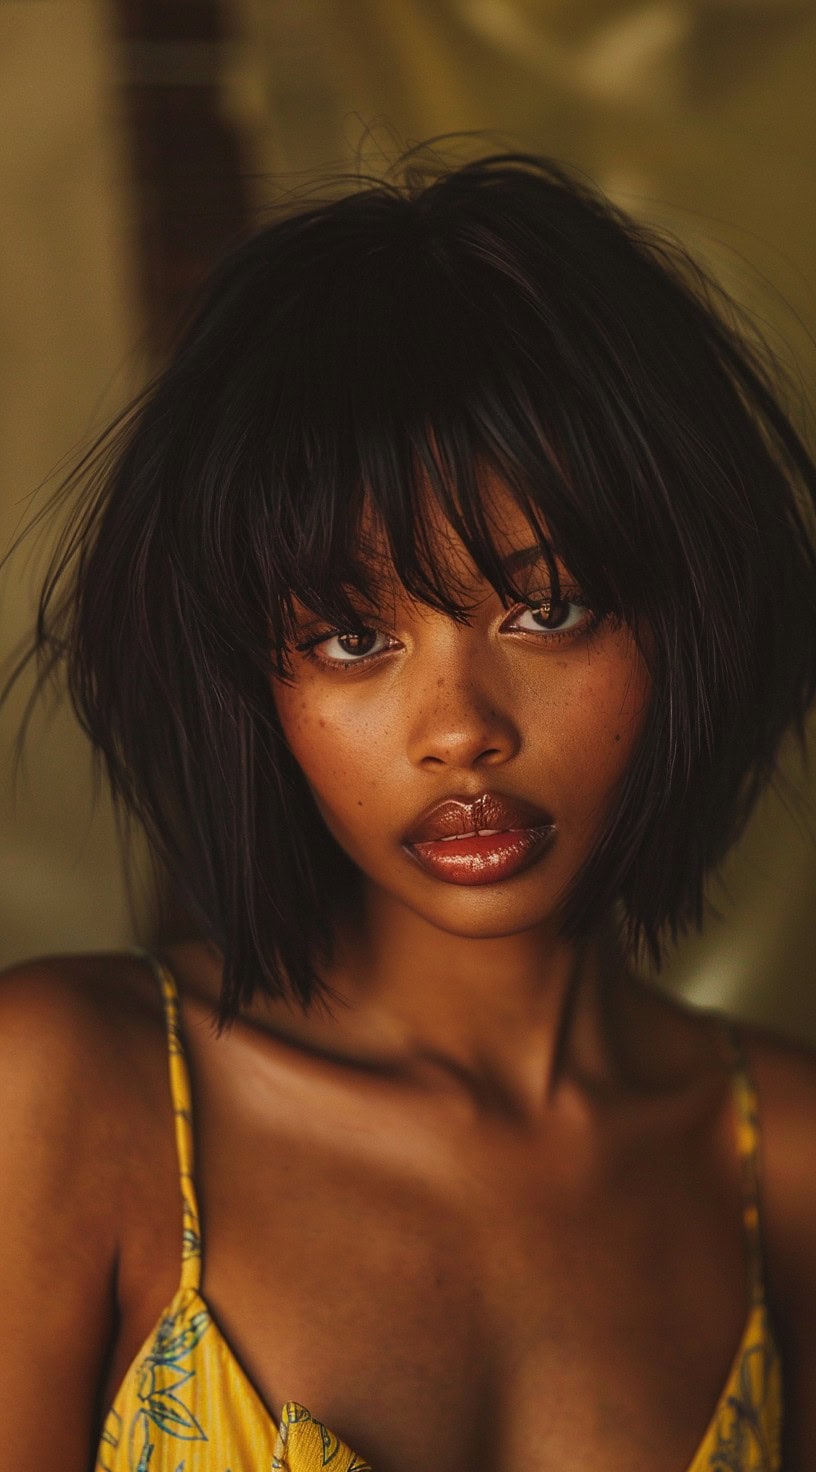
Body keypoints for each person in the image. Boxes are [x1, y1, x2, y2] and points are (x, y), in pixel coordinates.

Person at [1, 146, 815, 1472]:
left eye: (548, 610)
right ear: (250, 681)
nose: (460, 730)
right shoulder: (64, 1098)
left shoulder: (783, 1169)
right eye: (347, 639)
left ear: (693, 624)